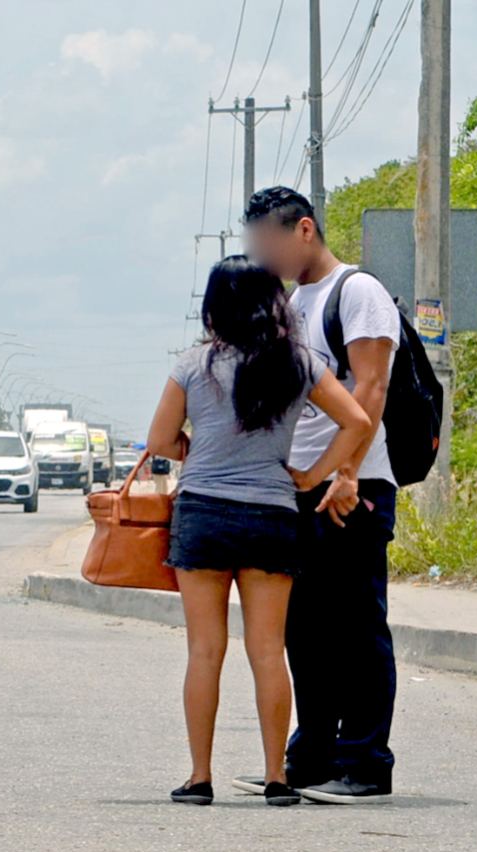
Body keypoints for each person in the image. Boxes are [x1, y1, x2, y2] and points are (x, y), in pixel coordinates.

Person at [147, 256, 370, 807]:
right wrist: (314, 476)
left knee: (205, 652)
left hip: (203, 514)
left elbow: (157, 440)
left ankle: (200, 778)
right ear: (274, 301)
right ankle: (277, 778)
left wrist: (199, 451)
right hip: (272, 513)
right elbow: (359, 420)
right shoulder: (298, 362)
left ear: (213, 304)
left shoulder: (194, 364)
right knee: (269, 651)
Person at [237, 186, 402, 805]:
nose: (264, 255)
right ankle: (309, 759)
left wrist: (346, 471)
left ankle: (365, 764)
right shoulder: (287, 302)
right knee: (303, 630)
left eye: (270, 243)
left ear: (304, 230)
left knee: (357, 627)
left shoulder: (355, 292)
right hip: (298, 486)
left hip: (352, 486)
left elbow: (373, 386)